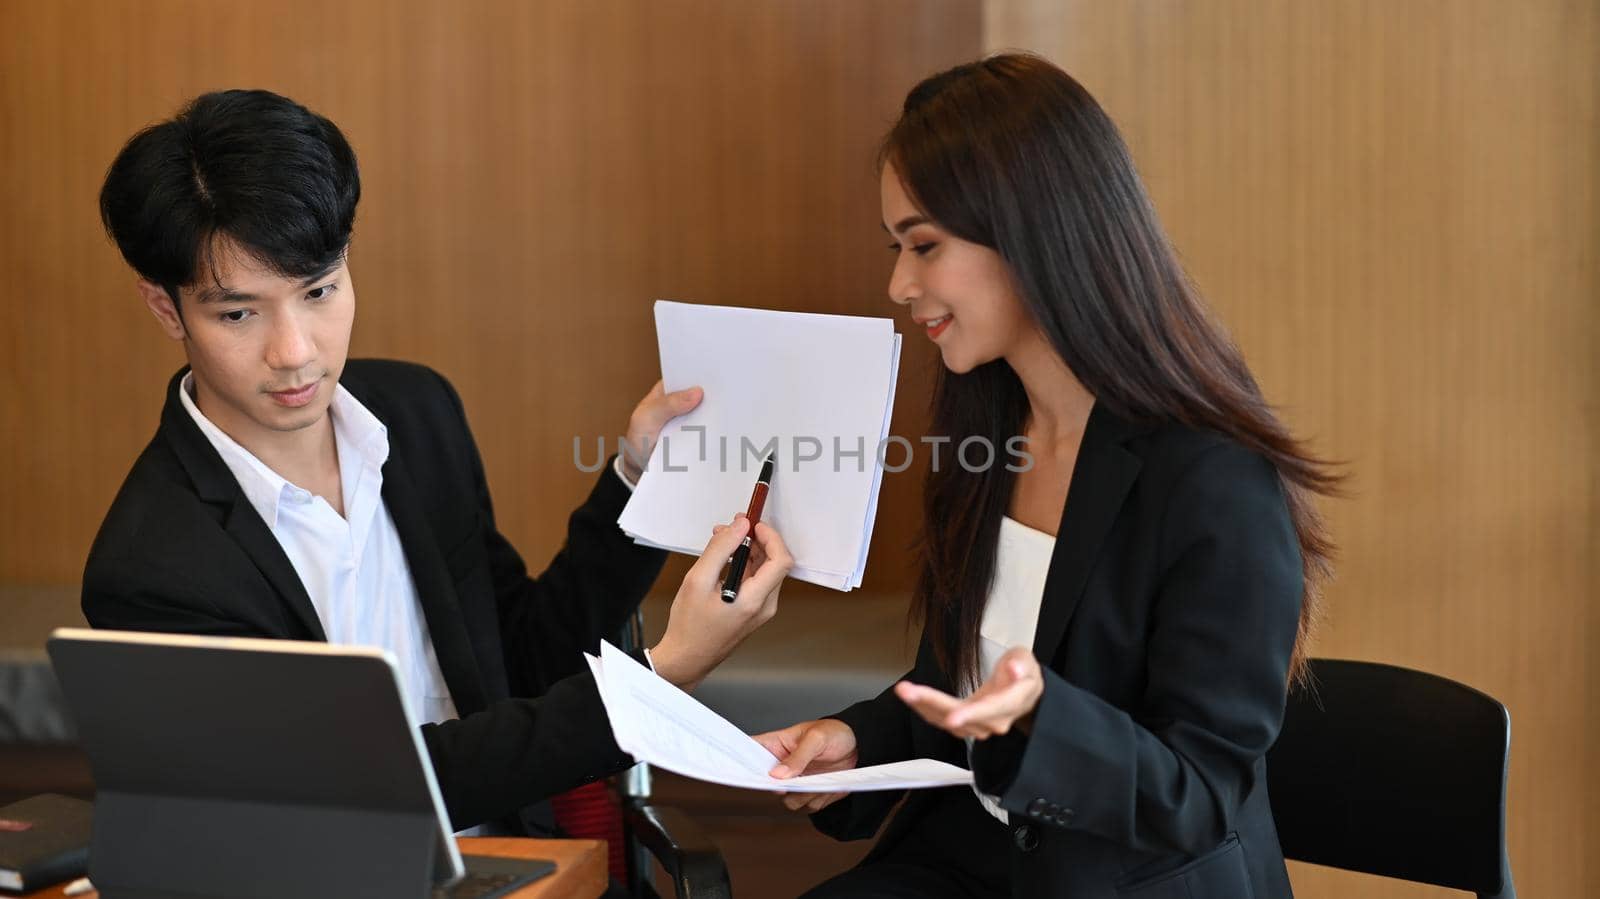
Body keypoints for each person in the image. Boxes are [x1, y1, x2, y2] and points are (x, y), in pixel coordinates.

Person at [83, 88, 792, 840]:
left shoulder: (416, 415)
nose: (295, 351)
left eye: (319, 291)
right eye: (238, 313)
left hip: (521, 866)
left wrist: (639, 484)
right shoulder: (150, 568)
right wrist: (660, 678)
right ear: (167, 310)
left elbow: (520, 663)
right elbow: (361, 792)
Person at [756, 54, 1339, 898]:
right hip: (974, 859)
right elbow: (958, 689)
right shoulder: (987, 438)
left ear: (1034, 231)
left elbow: (1201, 794)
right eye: (897, 248)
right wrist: (859, 741)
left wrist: (1040, 722)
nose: (898, 284)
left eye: (924, 245)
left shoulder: (1212, 478)